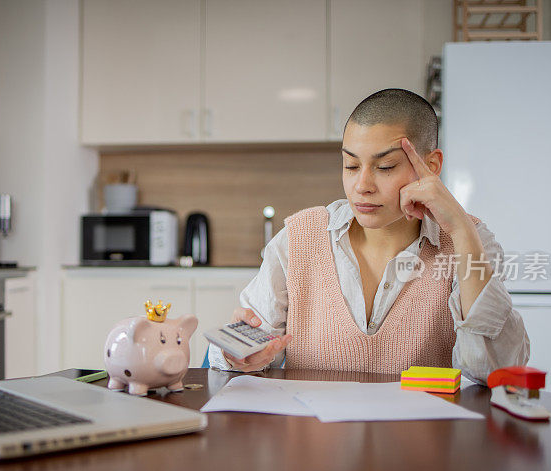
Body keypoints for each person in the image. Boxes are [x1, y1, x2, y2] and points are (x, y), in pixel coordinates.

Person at [208, 89, 529, 383]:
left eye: (385, 167)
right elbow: (234, 356)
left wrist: (460, 229)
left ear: (430, 165)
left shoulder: (469, 239)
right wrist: (240, 352)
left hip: (423, 441)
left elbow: (494, 370)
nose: (362, 185)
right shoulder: (298, 238)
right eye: (350, 165)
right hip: (312, 441)